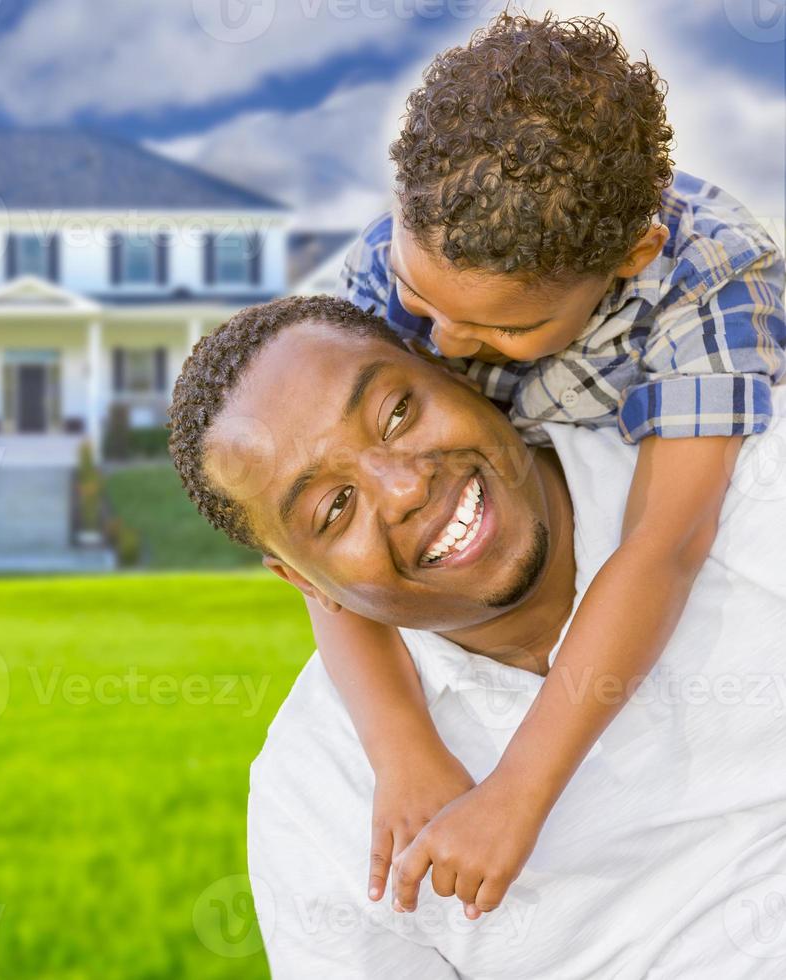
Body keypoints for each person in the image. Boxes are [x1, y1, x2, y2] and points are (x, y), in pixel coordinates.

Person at [166, 294, 786, 975]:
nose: (403, 488)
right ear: (304, 583)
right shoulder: (316, 793)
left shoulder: (750, 479)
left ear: (455, 370)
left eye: (397, 414)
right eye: (334, 508)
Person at [326, 13, 785, 916]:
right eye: (424, 299)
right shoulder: (387, 269)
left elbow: (665, 542)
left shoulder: (713, 278)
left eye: (505, 329)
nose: (443, 342)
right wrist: (402, 746)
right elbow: (312, 536)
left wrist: (517, 793)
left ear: (630, 258)